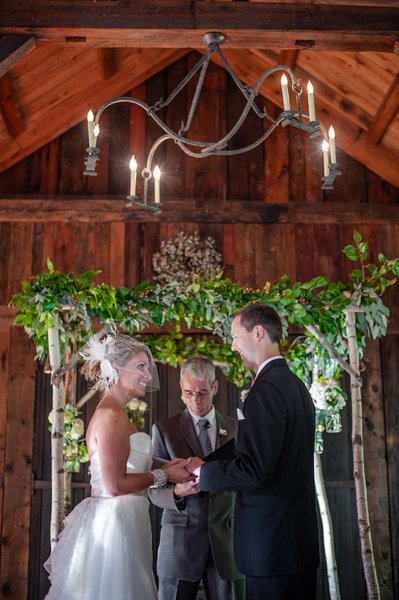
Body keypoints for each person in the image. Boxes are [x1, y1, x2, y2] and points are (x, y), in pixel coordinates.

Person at [186, 305, 320, 600]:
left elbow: (256, 469)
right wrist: (208, 463)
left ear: (258, 332)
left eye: (236, 337)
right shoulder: (295, 386)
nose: (233, 345)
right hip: (292, 540)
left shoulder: (267, 389)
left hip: (272, 545)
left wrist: (202, 473)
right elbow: (269, 450)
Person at [44, 333, 191, 600]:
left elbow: (133, 462)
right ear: (117, 369)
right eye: (140, 367)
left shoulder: (119, 413)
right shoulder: (110, 415)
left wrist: (172, 464)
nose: (148, 375)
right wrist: (164, 475)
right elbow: (114, 485)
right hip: (115, 526)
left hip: (130, 521)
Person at [150, 357, 245, 600]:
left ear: (214, 387)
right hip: (180, 545)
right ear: (181, 386)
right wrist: (177, 492)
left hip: (227, 542)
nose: (195, 400)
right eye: (188, 393)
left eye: (202, 393)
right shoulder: (164, 430)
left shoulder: (236, 429)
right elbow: (152, 489)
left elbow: (247, 478)